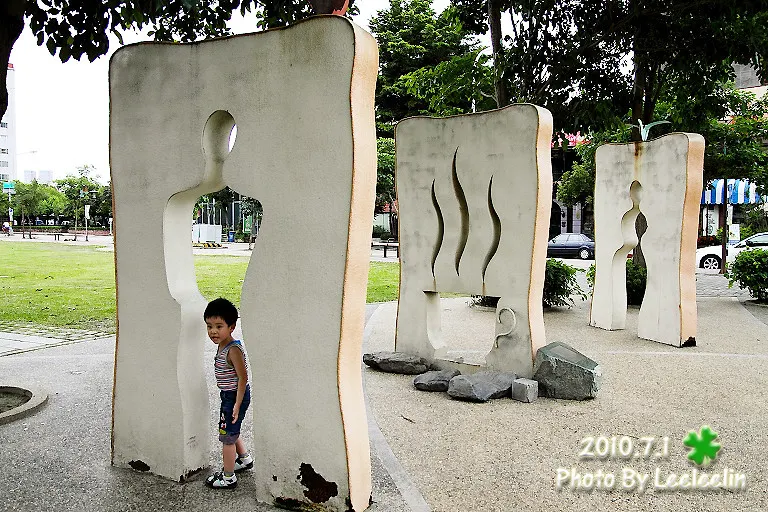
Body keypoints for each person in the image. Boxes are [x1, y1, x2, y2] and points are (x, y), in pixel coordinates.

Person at [204, 298, 253, 489]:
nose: (213, 331)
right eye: (209, 326)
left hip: (234, 396)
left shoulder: (233, 350)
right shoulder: (223, 344)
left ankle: (228, 476)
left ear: (231, 327)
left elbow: (243, 377)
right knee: (232, 430)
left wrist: (237, 404)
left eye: (219, 326)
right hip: (229, 396)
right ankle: (244, 459)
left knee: (227, 436)